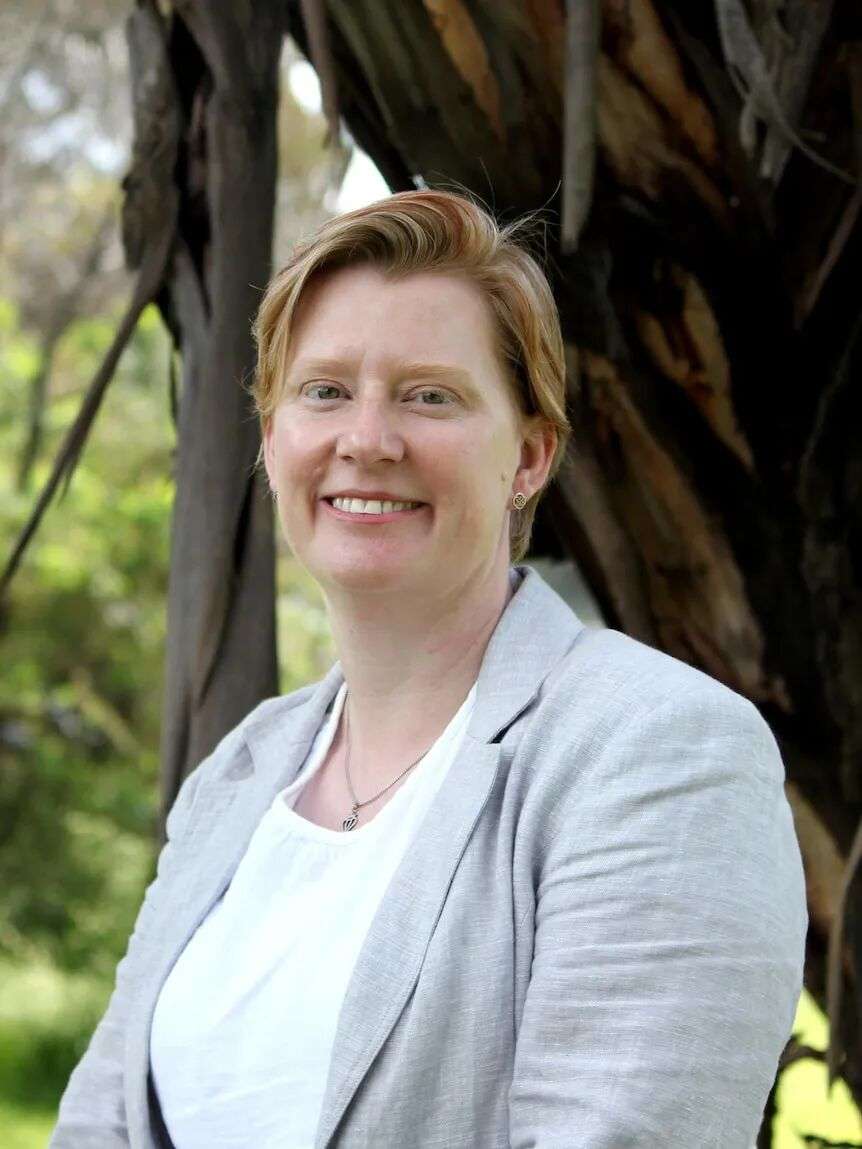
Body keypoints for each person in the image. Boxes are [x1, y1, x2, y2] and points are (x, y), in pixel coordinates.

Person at [49, 189, 807, 1149]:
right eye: (324, 391)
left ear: (529, 456)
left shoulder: (657, 748)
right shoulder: (238, 775)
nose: (367, 439)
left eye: (429, 394)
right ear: (273, 438)